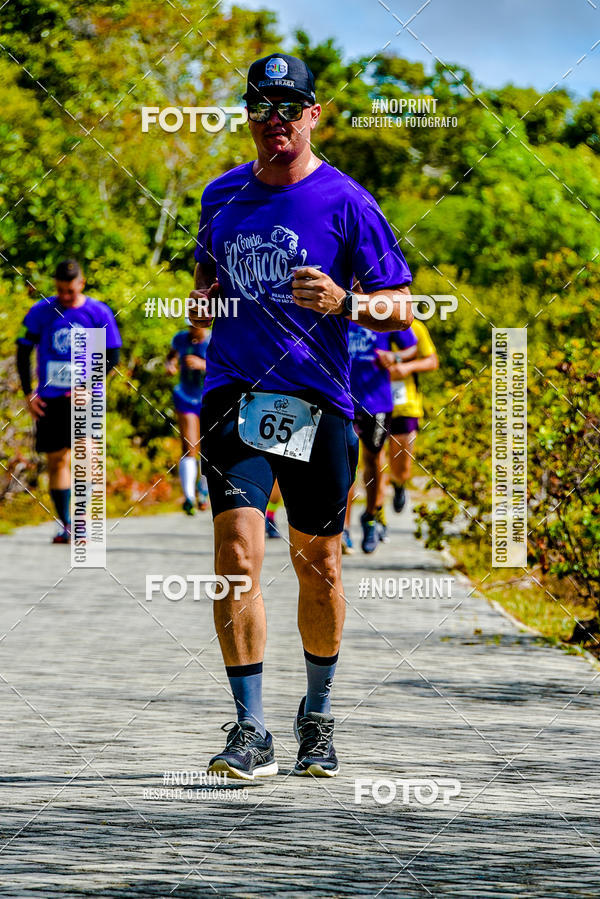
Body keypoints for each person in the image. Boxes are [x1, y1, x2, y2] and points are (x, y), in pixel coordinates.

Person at [189, 53, 413, 779]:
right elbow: (206, 277)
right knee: (236, 557)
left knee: (317, 565)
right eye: (262, 106)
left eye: (290, 107)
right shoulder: (219, 196)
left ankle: (316, 714)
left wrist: (347, 303)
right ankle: (250, 727)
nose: (275, 119)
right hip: (235, 395)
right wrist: (203, 309)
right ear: (249, 116)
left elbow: (398, 307)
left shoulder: (349, 201)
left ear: (313, 115)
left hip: (318, 401)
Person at [16, 260, 121, 543]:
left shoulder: (98, 312)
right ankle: (67, 524)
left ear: (81, 284)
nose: (64, 296)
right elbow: (23, 350)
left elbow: (112, 356)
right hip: (50, 398)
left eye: (70, 291)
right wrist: (29, 393)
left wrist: (90, 385)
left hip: (85, 398)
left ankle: (84, 520)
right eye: (60, 290)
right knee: (57, 460)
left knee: (87, 454)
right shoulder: (42, 312)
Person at [344, 321, 417, 554]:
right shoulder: (335, 300)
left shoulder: (382, 305)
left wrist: (394, 358)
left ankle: (370, 518)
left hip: (377, 403)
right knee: (346, 464)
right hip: (343, 400)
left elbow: (411, 347)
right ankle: (343, 528)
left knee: (373, 460)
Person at [383, 319, 438, 513]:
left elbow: (432, 360)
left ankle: (399, 485)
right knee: (375, 461)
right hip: (371, 402)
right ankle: (375, 518)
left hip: (405, 404)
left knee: (401, 468)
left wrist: (407, 367)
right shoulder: (361, 325)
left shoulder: (415, 328)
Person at [166, 322, 211, 514]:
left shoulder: (214, 339)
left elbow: (230, 368)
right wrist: (171, 366)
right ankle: (188, 497)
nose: (193, 330)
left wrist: (202, 364)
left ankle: (204, 493)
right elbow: (170, 357)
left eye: (197, 326)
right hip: (185, 396)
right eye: (190, 325)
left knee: (208, 448)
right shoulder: (180, 339)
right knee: (190, 446)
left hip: (209, 397)